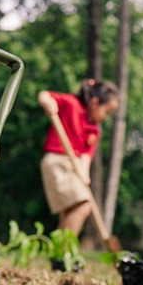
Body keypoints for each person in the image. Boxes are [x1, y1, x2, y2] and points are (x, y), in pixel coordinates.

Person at [38, 79, 119, 237]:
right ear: (95, 102)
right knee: (82, 206)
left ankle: (59, 249)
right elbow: (44, 94)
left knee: (70, 211)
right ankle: (65, 249)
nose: (106, 117)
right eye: (107, 112)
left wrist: (84, 174)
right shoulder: (71, 104)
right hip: (57, 161)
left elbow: (86, 156)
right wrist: (47, 103)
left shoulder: (95, 129)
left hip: (74, 166)